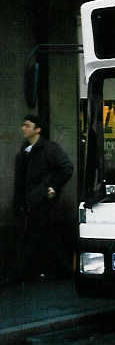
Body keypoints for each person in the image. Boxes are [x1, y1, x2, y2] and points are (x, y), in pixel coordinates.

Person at [12, 114, 74, 280]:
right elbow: (21, 180)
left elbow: (66, 168)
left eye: (27, 125)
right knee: (38, 238)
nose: (23, 128)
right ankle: (37, 272)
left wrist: (53, 186)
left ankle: (35, 272)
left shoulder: (49, 149)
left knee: (42, 238)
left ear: (37, 129)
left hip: (42, 202)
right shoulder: (24, 151)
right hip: (28, 203)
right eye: (23, 125)